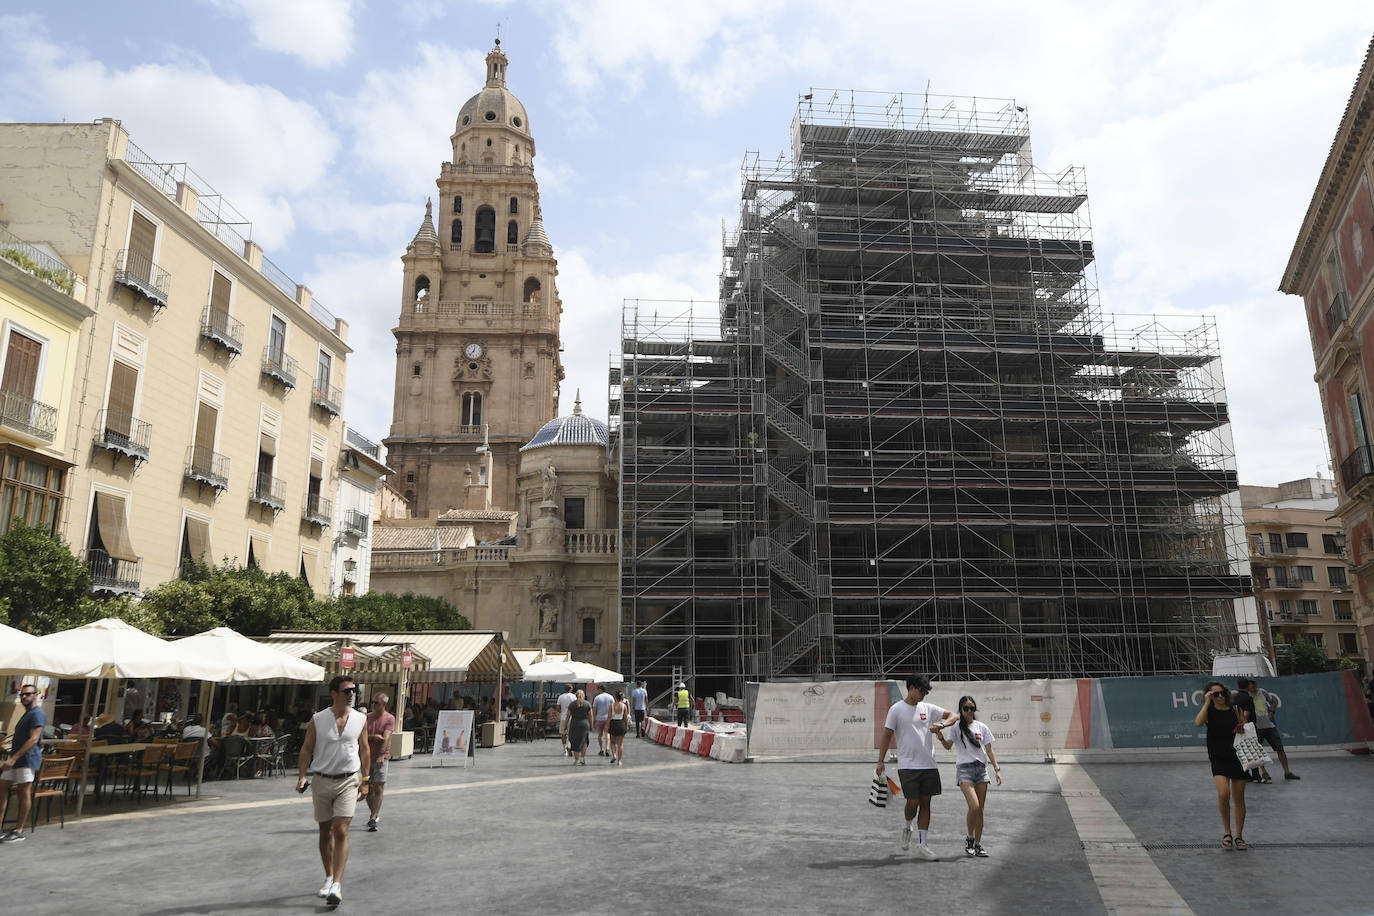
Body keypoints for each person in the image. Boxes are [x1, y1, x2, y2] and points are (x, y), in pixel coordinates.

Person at [298, 675, 371, 907]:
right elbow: (306, 749)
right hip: (321, 780)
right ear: (334, 694)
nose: (352, 694)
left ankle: (337, 884)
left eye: (354, 690)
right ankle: (328, 876)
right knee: (325, 832)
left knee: (340, 830)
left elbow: (365, 750)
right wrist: (301, 776)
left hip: (348, 781)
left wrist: (366, 780)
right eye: (347, 690)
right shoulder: (318, 719)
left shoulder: (360, 719)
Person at [875, 674, 958, 860]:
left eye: (926, 692)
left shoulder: (928, 708)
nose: (924, 695)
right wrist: (880, 761)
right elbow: (887, 736)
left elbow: (954, 715)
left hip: (929, 764)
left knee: (926, 803)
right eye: (922, 691)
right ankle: (907, 825)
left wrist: (942, 724)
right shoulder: (896, 710)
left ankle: (923, 844)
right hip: (907, 765)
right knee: (912, 803)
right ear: (911, 687)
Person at [936, 695, 1002, 858]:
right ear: (961, 709)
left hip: (981, 770)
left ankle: (978, 844)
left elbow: (989, 750)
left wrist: (997, 769)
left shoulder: (982, 727)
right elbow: (948, 746)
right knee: (974, 806)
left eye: (972, 708)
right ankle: (969, 838)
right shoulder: (956, 727)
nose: (969, 711)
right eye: (966, 708)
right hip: (964, 770)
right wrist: (941, 737)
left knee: (980, 810)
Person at [1194, 680, 1250, 850]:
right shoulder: (1209, 712)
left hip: (1238, 755)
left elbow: (1246, 727)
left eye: (1222, 693)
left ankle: (1239, 835)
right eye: (1215, 694)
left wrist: (1243, 728)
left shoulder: (1235, 709)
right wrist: (1206, 702)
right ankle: (1227, 832)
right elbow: (1198, 722)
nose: (1220, 696)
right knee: (1223, 794)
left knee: (1239, 798)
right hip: (1218, 756)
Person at [0, 684, 45, 843]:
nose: (24, 697)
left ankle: (19, 830)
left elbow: (34, 739)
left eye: (28, 694)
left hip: (27, 759)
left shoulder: (37, 714)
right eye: (22, 695)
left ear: (35, 695)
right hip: (16, 759)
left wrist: (13, 758)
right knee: (2, 788)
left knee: (23, 792)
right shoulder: (27, 713)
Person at [1234, 678, 1298, 782]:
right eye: (1250, 684)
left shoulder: (1262, 692)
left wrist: (1271, 712)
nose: (1253, 685)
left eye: (1254, 683)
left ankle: (1287, 772)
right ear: (1247, 686)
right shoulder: (1246, 696)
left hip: (1269, 726)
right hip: (1255, 728)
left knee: (1279, 748)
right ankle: (1264, 772)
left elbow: (1273, 702)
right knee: (1257, 752)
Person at [364, 693, 396, 833]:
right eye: (373, 702)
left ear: (383, 704)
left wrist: (381, 755)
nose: (373, 704)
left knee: (378, 787)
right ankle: (374, 813)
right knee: (367, 790)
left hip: (381, 757)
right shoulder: (367, 718)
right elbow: (361, 735)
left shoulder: (389, 718)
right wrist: (372, 737)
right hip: (366, 757)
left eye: (376, 702)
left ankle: (373, 816)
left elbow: (386, 738)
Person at [566, 689, 592, 766]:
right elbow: (591, 716)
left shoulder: (572, 704)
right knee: (584, 741)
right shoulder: (587, 704)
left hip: (574, 724)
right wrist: (591, 725)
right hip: (584, 724)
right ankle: (582, 758)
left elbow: (568, 716)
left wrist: (565, 726)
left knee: (575, 741)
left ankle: (576, 760)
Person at [608, 691, 630, 766]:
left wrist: (607, 725)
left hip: (613, 723)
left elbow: (609, 717)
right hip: (621, 724)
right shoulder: (624, 706)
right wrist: (626, 726)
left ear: (615, 697)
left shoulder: (611, 705)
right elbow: (626, 717)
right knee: (620, 744)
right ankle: (619, 760)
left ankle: (614, 754)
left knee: (612, 742)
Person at [592, 686, 615, 757]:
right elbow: (613, 708)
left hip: (599, 718)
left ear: (600, 690)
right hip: (608, 718)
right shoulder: (611, 697)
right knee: (607, 734)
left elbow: (594, 709)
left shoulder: (597, 698)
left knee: (600, 734)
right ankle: (607, 748)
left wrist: (594, 719)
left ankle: (601, 749)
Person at [557, 684, 577, 757]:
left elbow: (558, 707)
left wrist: (562, 712)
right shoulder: (574, 697)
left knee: (563, 734)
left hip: (563, 717)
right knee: (571, 734)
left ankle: (564, 750)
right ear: (571, 689)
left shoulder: (561, 697)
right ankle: (569, 745)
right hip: (572, 717)